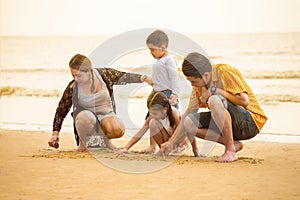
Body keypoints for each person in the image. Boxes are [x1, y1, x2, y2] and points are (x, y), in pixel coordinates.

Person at [158, 52, 268, 162]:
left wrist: (214, 90)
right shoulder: (198, 87)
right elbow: (188, 113)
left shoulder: (224, 71)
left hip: (250, 123)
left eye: (193, 81)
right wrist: (170, 143)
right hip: (230, 126)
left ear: (205, 75)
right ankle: (233, 144)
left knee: (214, 99)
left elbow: (244, 101)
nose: (192, 84)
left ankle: (230, 151)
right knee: (188, 121)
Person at [48, 54, 153, 151]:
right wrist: (55, 134)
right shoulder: (73, 87)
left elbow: (123, 76)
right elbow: (61, 111)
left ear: (89, 71)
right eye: (73, 75)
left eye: (78, 75)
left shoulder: (103, 75)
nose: (76, 79)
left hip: (105, 116)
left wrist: (144, 78)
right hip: (86, 121)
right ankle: (85, 144)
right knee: (86, 116)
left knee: (118, 129)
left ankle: (98, 141)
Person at [143, 29, 181, 152]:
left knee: (170, 120)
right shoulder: (159, 61)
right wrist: (149, 80)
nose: (151, 53)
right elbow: (159, 79)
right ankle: (152, 145)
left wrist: (175, 93)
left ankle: (176, 143)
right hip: (156, 94)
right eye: (149, 50)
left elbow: (174, 77)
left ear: (163, 48)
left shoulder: (169, 60)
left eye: (153, 49)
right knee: (151, 118)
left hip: (167, 94)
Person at [117, 91, 187, 154]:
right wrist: (126, 148)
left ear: (165, 109)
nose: (153, 116)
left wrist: (170, 142)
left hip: (179, 142)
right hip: (167, 141)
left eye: (155, 113)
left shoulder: (174, 113)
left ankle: (170, 149)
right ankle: (164, 150)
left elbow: (181, 130)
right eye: (151, 113)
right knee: (153, 123)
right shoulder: (152, 117)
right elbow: (140, 133)